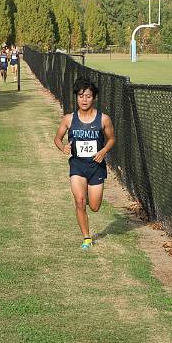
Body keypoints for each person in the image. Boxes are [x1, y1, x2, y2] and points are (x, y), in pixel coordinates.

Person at [53, 78, 116, 250]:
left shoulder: (103, 119)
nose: (84, 99)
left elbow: (111, 139)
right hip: (77, 166)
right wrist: (63, 147)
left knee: (94, 207)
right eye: (81, 96)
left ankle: (89, 194)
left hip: (96, 167)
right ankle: (86, 238)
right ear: (77, 98)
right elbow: (57, 138)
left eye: (88, 96)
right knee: (80, 202)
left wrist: (103, 151)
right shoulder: (69, 119)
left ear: (94, 97)